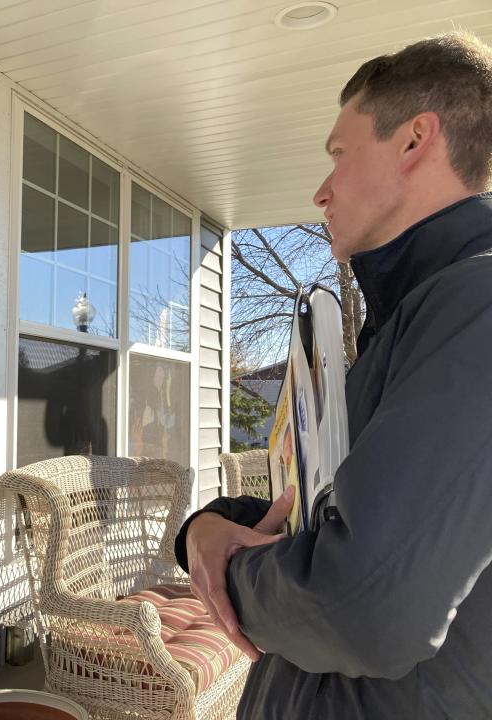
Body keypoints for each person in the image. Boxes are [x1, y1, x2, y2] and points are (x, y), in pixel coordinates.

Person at [175, 32, 492, 718]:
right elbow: (319, 518)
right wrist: (205, 528)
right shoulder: (407, 323)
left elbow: (361, 604)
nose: (321, 190)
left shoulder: (478, 307)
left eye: (339, 154)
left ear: (415, 140)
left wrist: (229, 572)